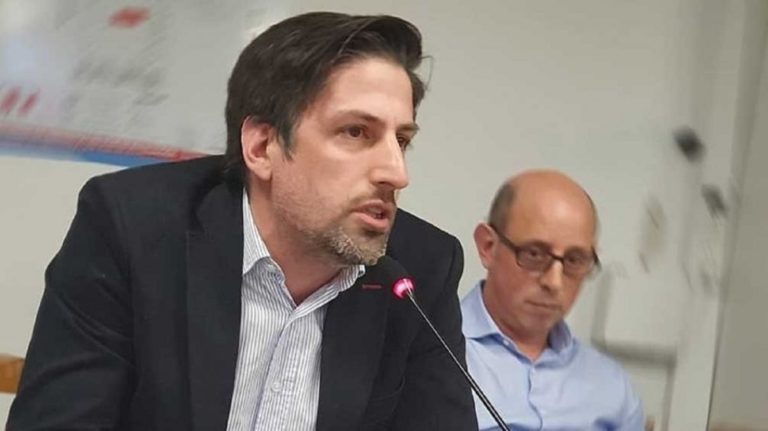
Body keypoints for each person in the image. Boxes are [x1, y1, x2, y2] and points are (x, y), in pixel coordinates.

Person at [8, 12, 476, 431]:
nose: (396, 172)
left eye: (402, 140)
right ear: (261, 147)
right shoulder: (133, 228)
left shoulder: (422, 269)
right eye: (356, 132)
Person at [462, 171, 644, 430]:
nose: (554, 282)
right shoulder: (430, 353)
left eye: (574, 260)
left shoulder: (612, 388)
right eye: (535, 254)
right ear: (488, 246)